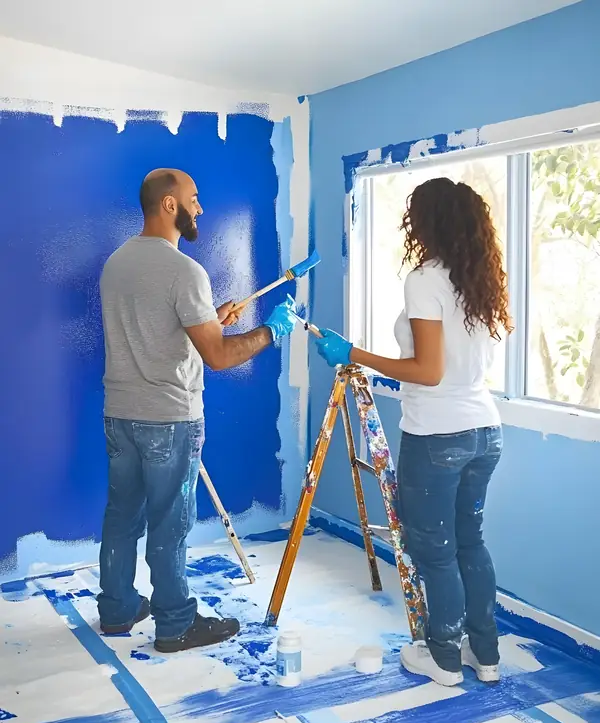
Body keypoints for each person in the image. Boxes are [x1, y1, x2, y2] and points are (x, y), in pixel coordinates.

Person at [313, 177, 512, 687]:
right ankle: (483, 655)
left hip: (438, 435)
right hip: (485, 431)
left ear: (426, 222)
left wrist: (352, 353)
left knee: (436, 551)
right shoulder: (478, 278)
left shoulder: (425, 279)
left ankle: (443, 658)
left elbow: (427, 371)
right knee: (472, 542)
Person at [97, 168, 297, 653]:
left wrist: (212, 317)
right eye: (193, 198)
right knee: (170, 520)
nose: (199, 208)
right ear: (169, 205)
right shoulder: (185, 272)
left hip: (120, 413)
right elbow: (219, 356)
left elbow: (162, 327)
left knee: (123, 514)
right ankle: (175, 623)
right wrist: (272, 332)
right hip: (169, 418)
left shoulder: (116, 263)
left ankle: (118, 607)